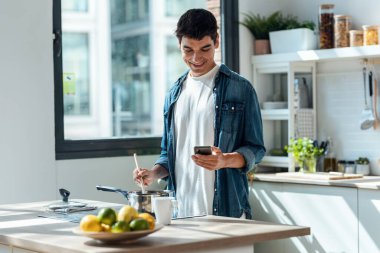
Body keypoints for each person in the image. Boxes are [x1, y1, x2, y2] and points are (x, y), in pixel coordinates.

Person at [134, 8, 265, 219]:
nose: (196, 58)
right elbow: (170, 154)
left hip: (226, 211)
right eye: (188, 50)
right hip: (180, 211)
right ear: (179, 46)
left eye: (205, 48)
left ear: (217, 42)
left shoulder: (240, 89)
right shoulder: (174, 94)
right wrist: (153, 173)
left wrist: (226, 160)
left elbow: (256, 149)